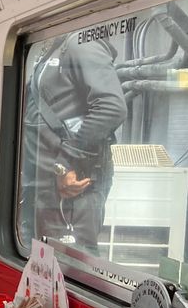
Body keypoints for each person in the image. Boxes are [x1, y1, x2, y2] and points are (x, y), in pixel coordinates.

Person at [20, 33, 127, 253]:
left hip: (69, 189)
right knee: (42, 263)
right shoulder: (54, 48)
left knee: (70, 264)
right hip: (43, 187)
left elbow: (111, 108)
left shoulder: (81, 43)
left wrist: (66, 163)